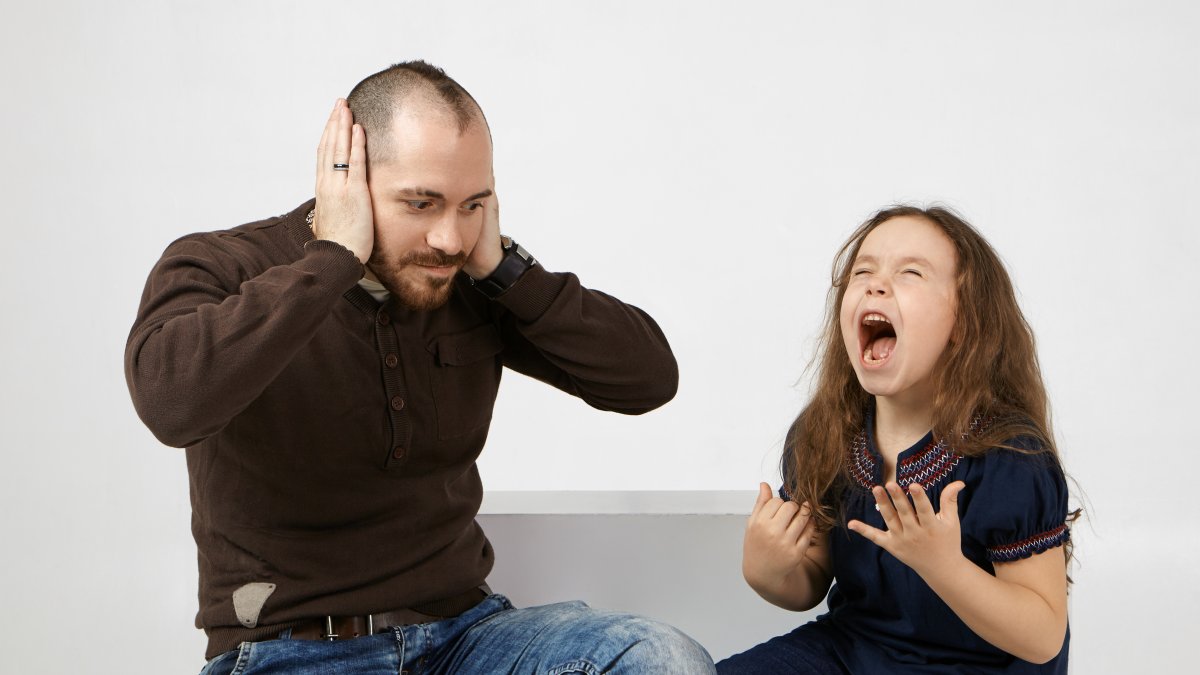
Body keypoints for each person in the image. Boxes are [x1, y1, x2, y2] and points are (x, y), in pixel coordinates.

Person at [125, 60, 715, 674]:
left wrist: (508, 272)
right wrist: (331, 261)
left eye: (471, 204)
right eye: (422, 203)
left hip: (468, 638)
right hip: (289, 652)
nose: (450, 238)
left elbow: (647, 379)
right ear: (348, 182)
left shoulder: (466, 280)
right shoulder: (222, 266)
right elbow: (171, 404)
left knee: (659, 658)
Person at [718, 206, 1075, 674]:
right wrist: (767, 571)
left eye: (910, 273)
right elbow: (810, 582)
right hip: (853, 652)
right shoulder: (825, 432)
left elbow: (1043, 635)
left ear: (964, 324)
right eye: (863, 271)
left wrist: (943, 566)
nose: (876, 283)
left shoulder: (1008, 455)